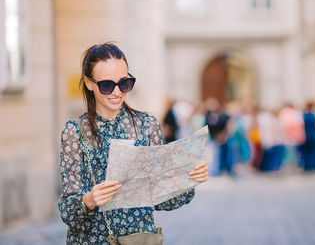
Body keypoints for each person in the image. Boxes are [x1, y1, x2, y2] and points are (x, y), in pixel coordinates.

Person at [58, 43, 209, 244]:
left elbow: (162, 199)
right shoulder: (74, 131)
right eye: (106, 85)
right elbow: (69, 213)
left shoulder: (147, 125)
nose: (117, 92)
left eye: (124, 83)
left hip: (140, 240)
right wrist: (88, 201)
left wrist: (189, 179)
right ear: (89, 83)